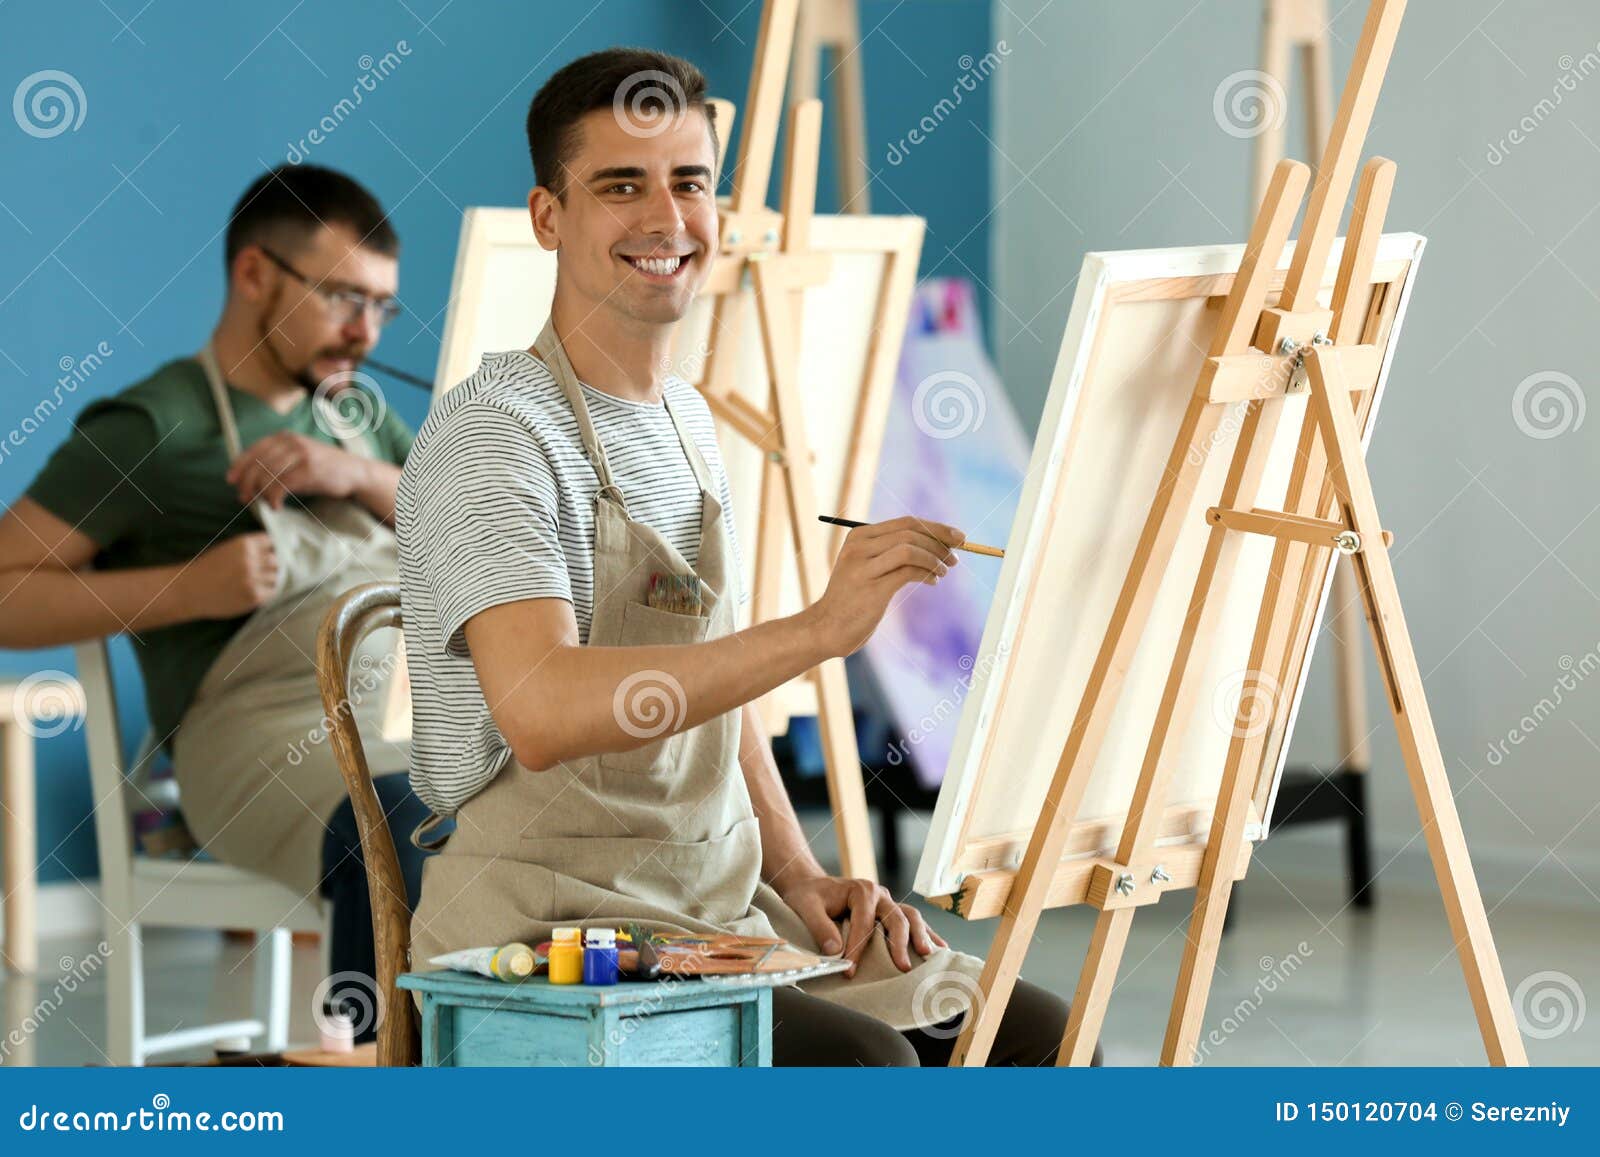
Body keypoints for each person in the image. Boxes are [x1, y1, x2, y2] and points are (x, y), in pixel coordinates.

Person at [397, 48, 1098, 1067]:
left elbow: (717, 688)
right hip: (552, 922)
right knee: (872, 1066)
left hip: (713, 904)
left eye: (688, 181)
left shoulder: (685, 417)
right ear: (548, 218)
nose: (665, 217)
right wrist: (818, 629)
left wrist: (803, 872)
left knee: (1032, 1033)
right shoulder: (495, 431)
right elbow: (541, 709)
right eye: (620, 186)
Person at [0, 165, 427, 1036]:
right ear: (254, 274)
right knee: (399, 835)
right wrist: (186, 588)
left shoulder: (359, 417)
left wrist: (358, 472)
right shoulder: (153, 427)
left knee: (525, 813)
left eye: (382, 305)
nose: (364, 332)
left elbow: (474, 538)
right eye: (345, 295)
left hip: (383, 726)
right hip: (245, 745)